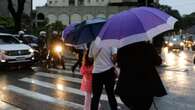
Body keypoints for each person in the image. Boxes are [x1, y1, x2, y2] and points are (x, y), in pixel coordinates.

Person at [115, 41, 167, 110]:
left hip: (128, 86)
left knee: (133, 106)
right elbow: (158, 61)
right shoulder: (148, 46)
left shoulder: (123, 48)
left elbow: (119, 64)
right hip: (146, 86)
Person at [89, 41, 118, 110]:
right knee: (111, 95)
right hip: (109, 72)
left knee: (96, 96)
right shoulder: (111, 41)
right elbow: (115, 57)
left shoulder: (93, 43)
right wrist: (111, 61)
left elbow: (90, 58)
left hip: (96, 72)